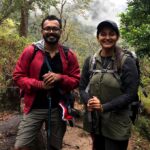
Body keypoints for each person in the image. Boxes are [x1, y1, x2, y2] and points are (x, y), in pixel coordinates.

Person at [13, 15, 80, 150]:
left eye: (55, 29)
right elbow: (18, 76)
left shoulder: (68, 54)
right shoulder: (31, 51)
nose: (51, 32)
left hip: (58, 108)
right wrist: (40, 85)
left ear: (61, 31)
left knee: (55, 146)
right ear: (42, 31)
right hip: (34, 107)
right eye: (47, 28)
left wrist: (60, 78)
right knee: (21, 145)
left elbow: (76, 80)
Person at [79, 20, 139, 150]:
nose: (107, 37)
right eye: (103, 34)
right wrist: (88, 101)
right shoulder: (91, 61)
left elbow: (131, 94)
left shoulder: (126, 62)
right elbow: (82, 87)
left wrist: (104, 107)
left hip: (117, 125)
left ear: (117, 37)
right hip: (96, 122)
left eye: (111, 34)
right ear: (98, 37)